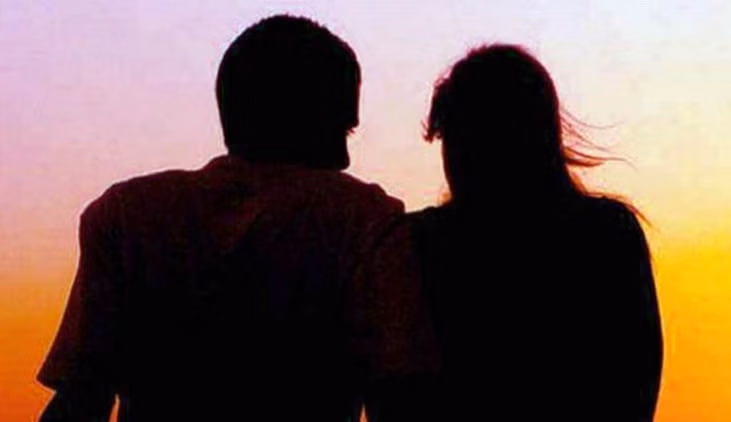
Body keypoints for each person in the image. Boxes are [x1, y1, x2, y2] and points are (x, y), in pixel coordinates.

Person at [37, 15, 418, 421]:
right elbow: (396, 399)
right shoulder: (365, 218)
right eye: (341, 130)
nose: (344, 158)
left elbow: (80, 397)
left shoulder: (126, 215)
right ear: (306, 117)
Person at [364, 45, 663, 421]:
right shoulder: (608, 232)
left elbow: (390, 390)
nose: (455, 156)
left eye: (464, 137)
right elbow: (635, 384)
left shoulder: (416, 242)